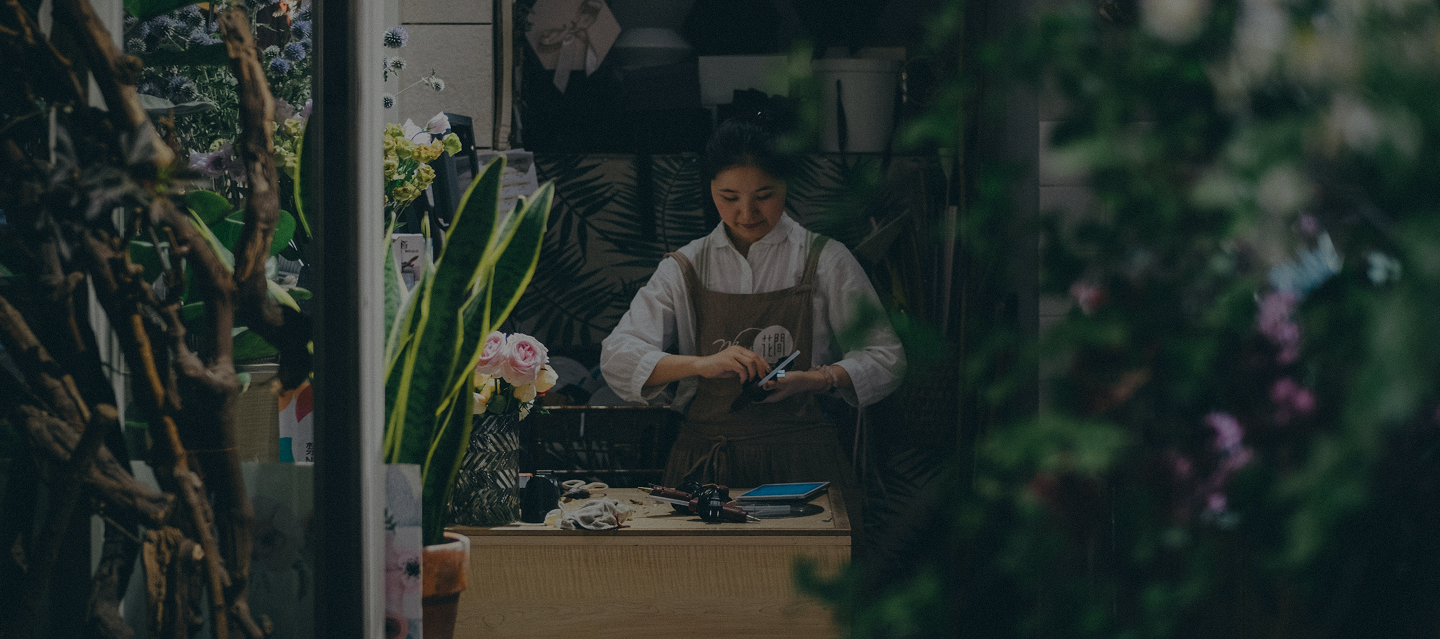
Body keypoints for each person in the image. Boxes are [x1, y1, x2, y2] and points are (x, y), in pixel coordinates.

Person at [600, 118, 906, 498]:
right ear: (710, 188)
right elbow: (617, 355)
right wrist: (700, 364)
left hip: (804, 465)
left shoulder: (825, 259)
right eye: (729, 198)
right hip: (704, 466)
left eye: (764, 195)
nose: (747, 213)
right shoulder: (686, 266)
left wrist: (818, 378)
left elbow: (887, 357)